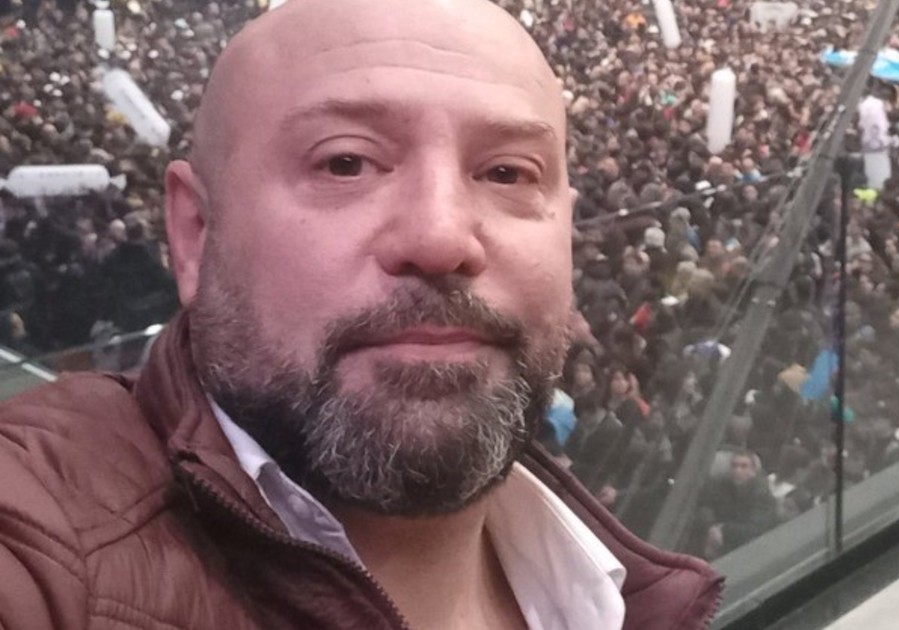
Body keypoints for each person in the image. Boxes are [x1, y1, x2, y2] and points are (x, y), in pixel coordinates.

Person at [0, 0, 721, 628]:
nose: (440, 237)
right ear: (195, 234)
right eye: (345, 162)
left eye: (507, 172)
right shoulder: (45, 537)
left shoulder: (628, 598)